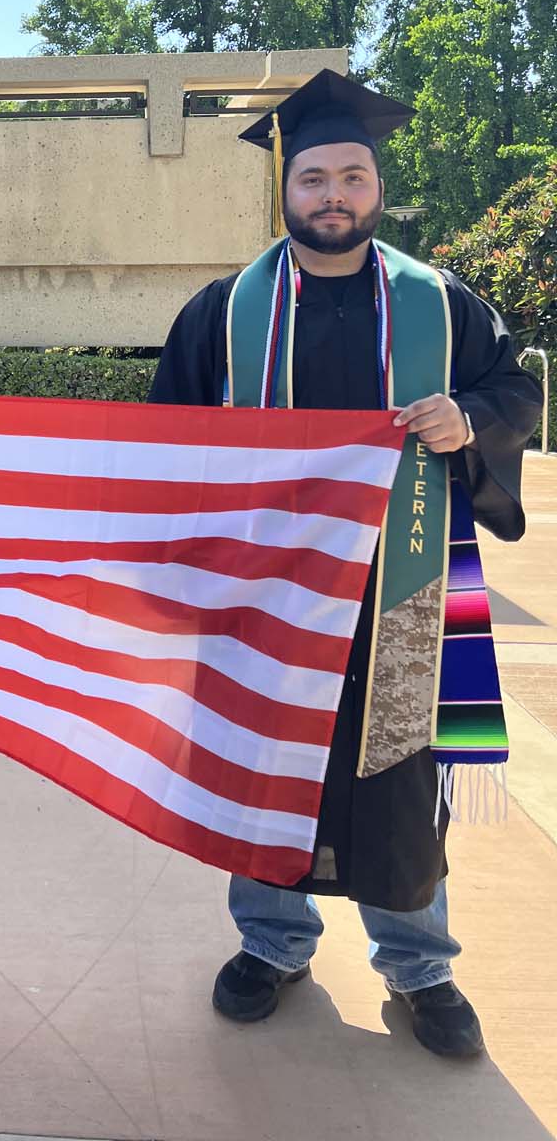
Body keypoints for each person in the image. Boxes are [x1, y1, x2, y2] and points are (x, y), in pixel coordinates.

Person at [149, 69, 542, 1060]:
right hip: (269, 594)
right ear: (286, 189)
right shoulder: (225, 311)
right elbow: (165, 441)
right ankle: (271, 943)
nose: (334, 196)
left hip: (398, 588)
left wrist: (470, 419)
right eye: (315, 177)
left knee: (401, 772)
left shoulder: (439, 304)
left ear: (377, 187)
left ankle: (420, 964)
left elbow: (514, 393)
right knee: (267, 761)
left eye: (352, 177)